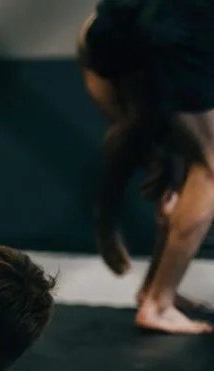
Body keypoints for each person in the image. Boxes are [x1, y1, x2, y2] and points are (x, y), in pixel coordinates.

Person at [80, 0, 214, 334]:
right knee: (209, 166)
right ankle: (159, 303)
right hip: (172, 35)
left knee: (147, 132)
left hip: (109, 29)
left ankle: (113, 231)